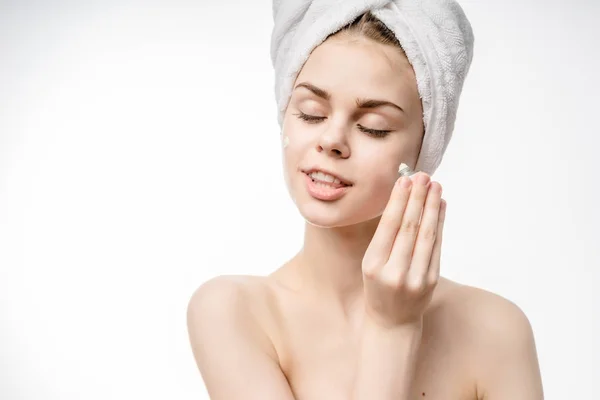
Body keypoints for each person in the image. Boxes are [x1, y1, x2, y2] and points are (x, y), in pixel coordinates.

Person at [187, 4, 544, 400]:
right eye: (310, 114)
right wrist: (392, 329)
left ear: (426, 147)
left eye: (373, 128)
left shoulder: (496, 332)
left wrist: (394, 323)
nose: (332, 140)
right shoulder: (232, 313)